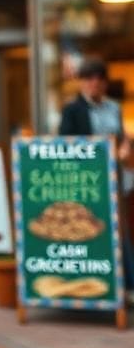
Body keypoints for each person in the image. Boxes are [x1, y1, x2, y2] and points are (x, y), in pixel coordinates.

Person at [58, 57, 132, 292]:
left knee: (121, 230)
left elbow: (120, 137)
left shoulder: (114, 108)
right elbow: (65, 144)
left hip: (116, 177)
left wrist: (125, 145)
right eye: (89, 79)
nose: (95, 84)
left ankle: (126, 285)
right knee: (94, 229)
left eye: (100, 80)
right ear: (82, 83)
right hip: (88, 181)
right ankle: (96, 286)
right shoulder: (72, 110)